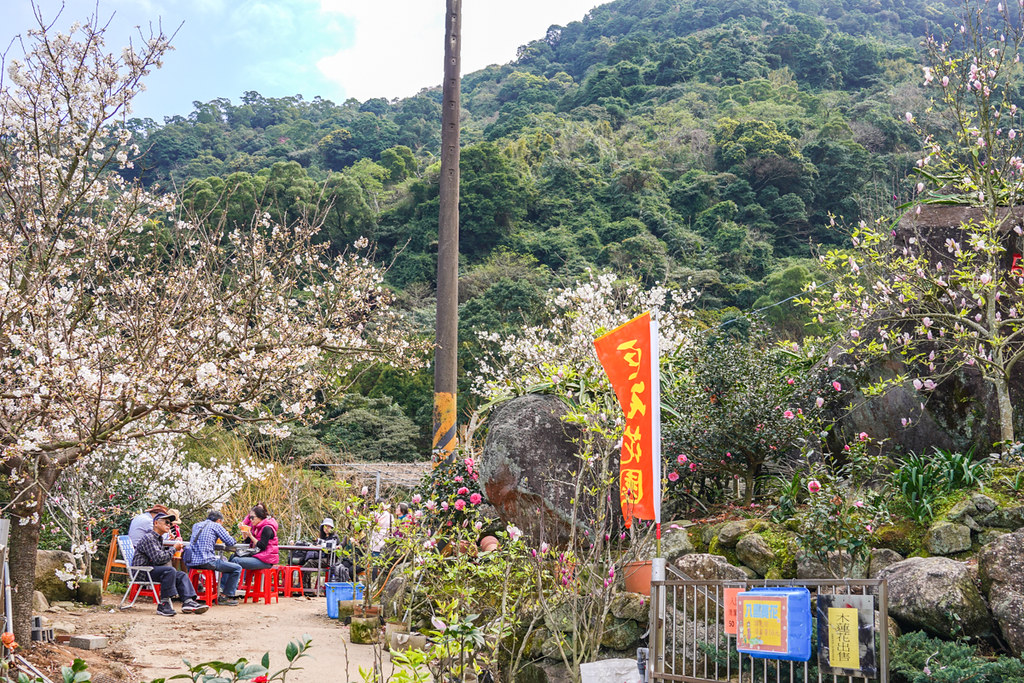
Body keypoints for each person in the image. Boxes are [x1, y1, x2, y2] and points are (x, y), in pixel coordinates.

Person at [133, 512, 209, 617]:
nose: (169, 525)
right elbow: (159, 559)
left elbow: (160, 558)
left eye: (170, 524)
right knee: (170, 571)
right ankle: (164, 604)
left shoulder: (158, 539)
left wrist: (169, 545)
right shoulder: (149, 538)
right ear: (156, 523)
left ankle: (188, 601)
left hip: (151, 569)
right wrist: (174, 548)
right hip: (142, 572)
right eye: (166, 522)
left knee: (181, 574)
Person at [187, 510, 243, 606]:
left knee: (224, 564)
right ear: (218, 520)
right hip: (207, 561)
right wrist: (229, 536)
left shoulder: (196, 525)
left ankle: (194, 594)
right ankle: (225, 596)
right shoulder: (216, 526)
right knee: (237, 568)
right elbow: (230, 542)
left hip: (191, 562)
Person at [231, 503, 279, 571]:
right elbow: (248, 542)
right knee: (233, 556)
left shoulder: (267, 528)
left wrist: (250, 535)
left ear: (260, 517)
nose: (250, 520)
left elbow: (262, 546)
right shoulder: (257, 527)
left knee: (236, 560)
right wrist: (244, 533)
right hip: (258, 556)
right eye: (249, 517)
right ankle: (225, 581)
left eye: (252, 517)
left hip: (266, 560)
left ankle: (228, 582)